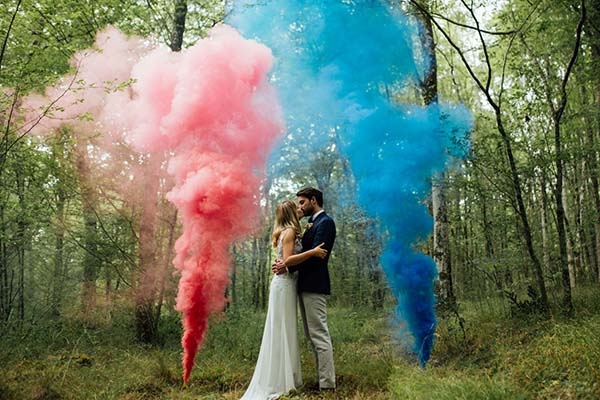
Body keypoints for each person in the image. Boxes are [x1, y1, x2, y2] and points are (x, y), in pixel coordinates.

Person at [240, 200, 327, 400]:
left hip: (287, 283)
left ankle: (286, 377)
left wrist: (307, 231)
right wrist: (313, 252)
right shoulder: (288, 232)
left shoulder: (289, 232)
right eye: (297, 207)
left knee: (286, 330)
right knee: (281, 330)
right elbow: (287, 260)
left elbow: (287, 257)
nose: (300, 208)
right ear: (290, 213)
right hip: (285, 285)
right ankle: (280, 381)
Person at [273, 187, 336, 392]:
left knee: (319, 334)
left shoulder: (326, 223)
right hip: (302, 284)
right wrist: (285, 263)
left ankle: (327, 385)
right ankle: (322, 381)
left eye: (302, 202)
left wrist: (288, 264)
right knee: (312, 335)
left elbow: (319, 256)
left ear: (313, 200)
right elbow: (301, 250)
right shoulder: (311, 223)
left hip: (314, 285)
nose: (299, 206)